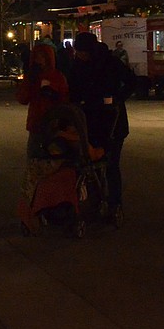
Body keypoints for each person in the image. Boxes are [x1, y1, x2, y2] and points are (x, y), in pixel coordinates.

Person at [68, 32, 131, 217]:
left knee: (111, 164)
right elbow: (73, 89)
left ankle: (114, 203)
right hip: (89, 121)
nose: (80, 55)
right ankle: (95, 201)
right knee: (88, 164)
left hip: (112, 121)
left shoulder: (109, 62)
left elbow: (131, 81)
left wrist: (117, 98)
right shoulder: (77, 65)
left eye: (82, 52)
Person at [16, 43, 70, 151]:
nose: (39, 60)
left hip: (54, 122)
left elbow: (65, 98)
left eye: (43, 57)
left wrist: (52, 93)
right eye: (37, 57)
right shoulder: (32, 76)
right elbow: (22, 99)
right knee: (34, 153)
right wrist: (30, 82)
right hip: (36, 120)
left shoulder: (57, 76)